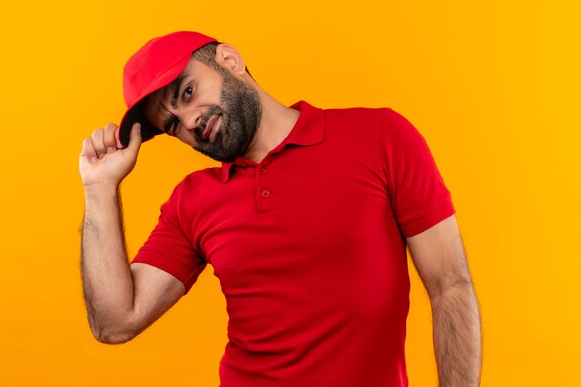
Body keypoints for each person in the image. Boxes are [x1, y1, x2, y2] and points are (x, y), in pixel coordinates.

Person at [79, 31, 482, 386]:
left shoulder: (380, 138)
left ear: (229, 60)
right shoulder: (192, 201)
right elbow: (115, 323)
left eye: (187, 93)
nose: (190, 122)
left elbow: (450, 286)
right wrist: (100, 189)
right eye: (172, 125)